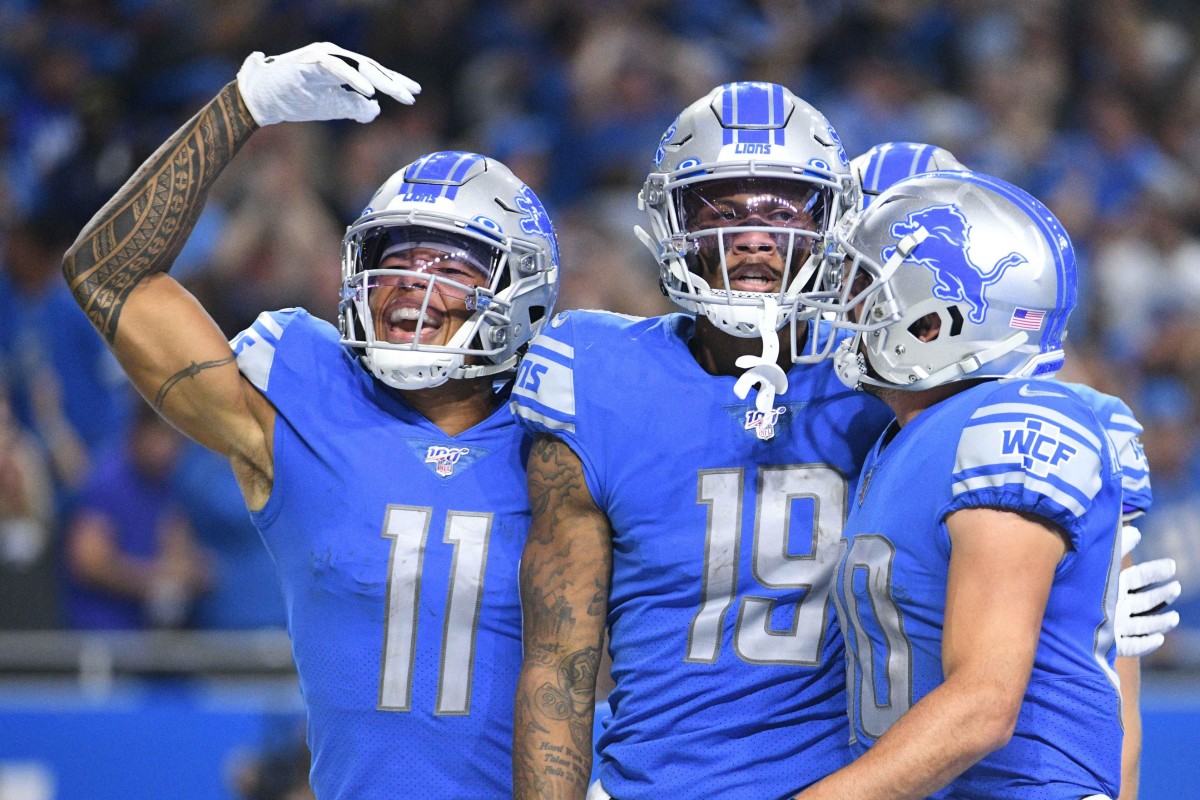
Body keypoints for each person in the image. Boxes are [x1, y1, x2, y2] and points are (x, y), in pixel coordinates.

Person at [61, 42, 559, 798]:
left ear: (522, 290)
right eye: (397, 257)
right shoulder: (305, 398)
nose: (410, 285)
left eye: (450, 265)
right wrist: (244, 106)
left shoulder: (573, 428)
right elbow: (107, 274)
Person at [510, 81, 894, 800]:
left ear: (831, 224)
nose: (753, 237)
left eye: (783, 210)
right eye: (724, 209)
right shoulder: (596, 374)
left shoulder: (885, 377)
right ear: (672, 222)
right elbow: (559, 662)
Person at [840, 140, 1181, 800]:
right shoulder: (901, 433)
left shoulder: (1018, 426)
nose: (845, 303)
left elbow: (991, 706)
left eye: (867, 281)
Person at [62, 402, 210, 629]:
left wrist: (192, 572)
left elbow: (177, 543)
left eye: (175, 439)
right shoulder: (105, 481)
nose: (168, 449)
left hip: (147, 635)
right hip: (101, 633)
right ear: (138, 432)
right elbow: (89, 561)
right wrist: (155, 578)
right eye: (160, 436)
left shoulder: (166, 483)